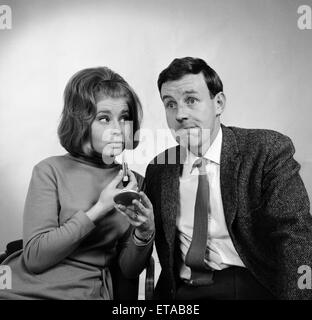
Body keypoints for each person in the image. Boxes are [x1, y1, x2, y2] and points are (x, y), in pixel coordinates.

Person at [144, 57, 312, 300]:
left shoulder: (266, 150)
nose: (180, 114)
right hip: (185, 290)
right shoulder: (160, 169)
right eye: (170, 104)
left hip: (253, 283)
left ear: (219, 103)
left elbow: (295, 235)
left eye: (191, 100)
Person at [0, 67, 155, 300]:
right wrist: (100, 208)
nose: (117, 130)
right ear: (81, 122)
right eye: (104, 118)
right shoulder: (49, 170)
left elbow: (129, 271)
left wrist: (145, 232)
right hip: (16, 289)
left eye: (124, 118)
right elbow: (34, 259)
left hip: (81, 293)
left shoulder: (134, 183)